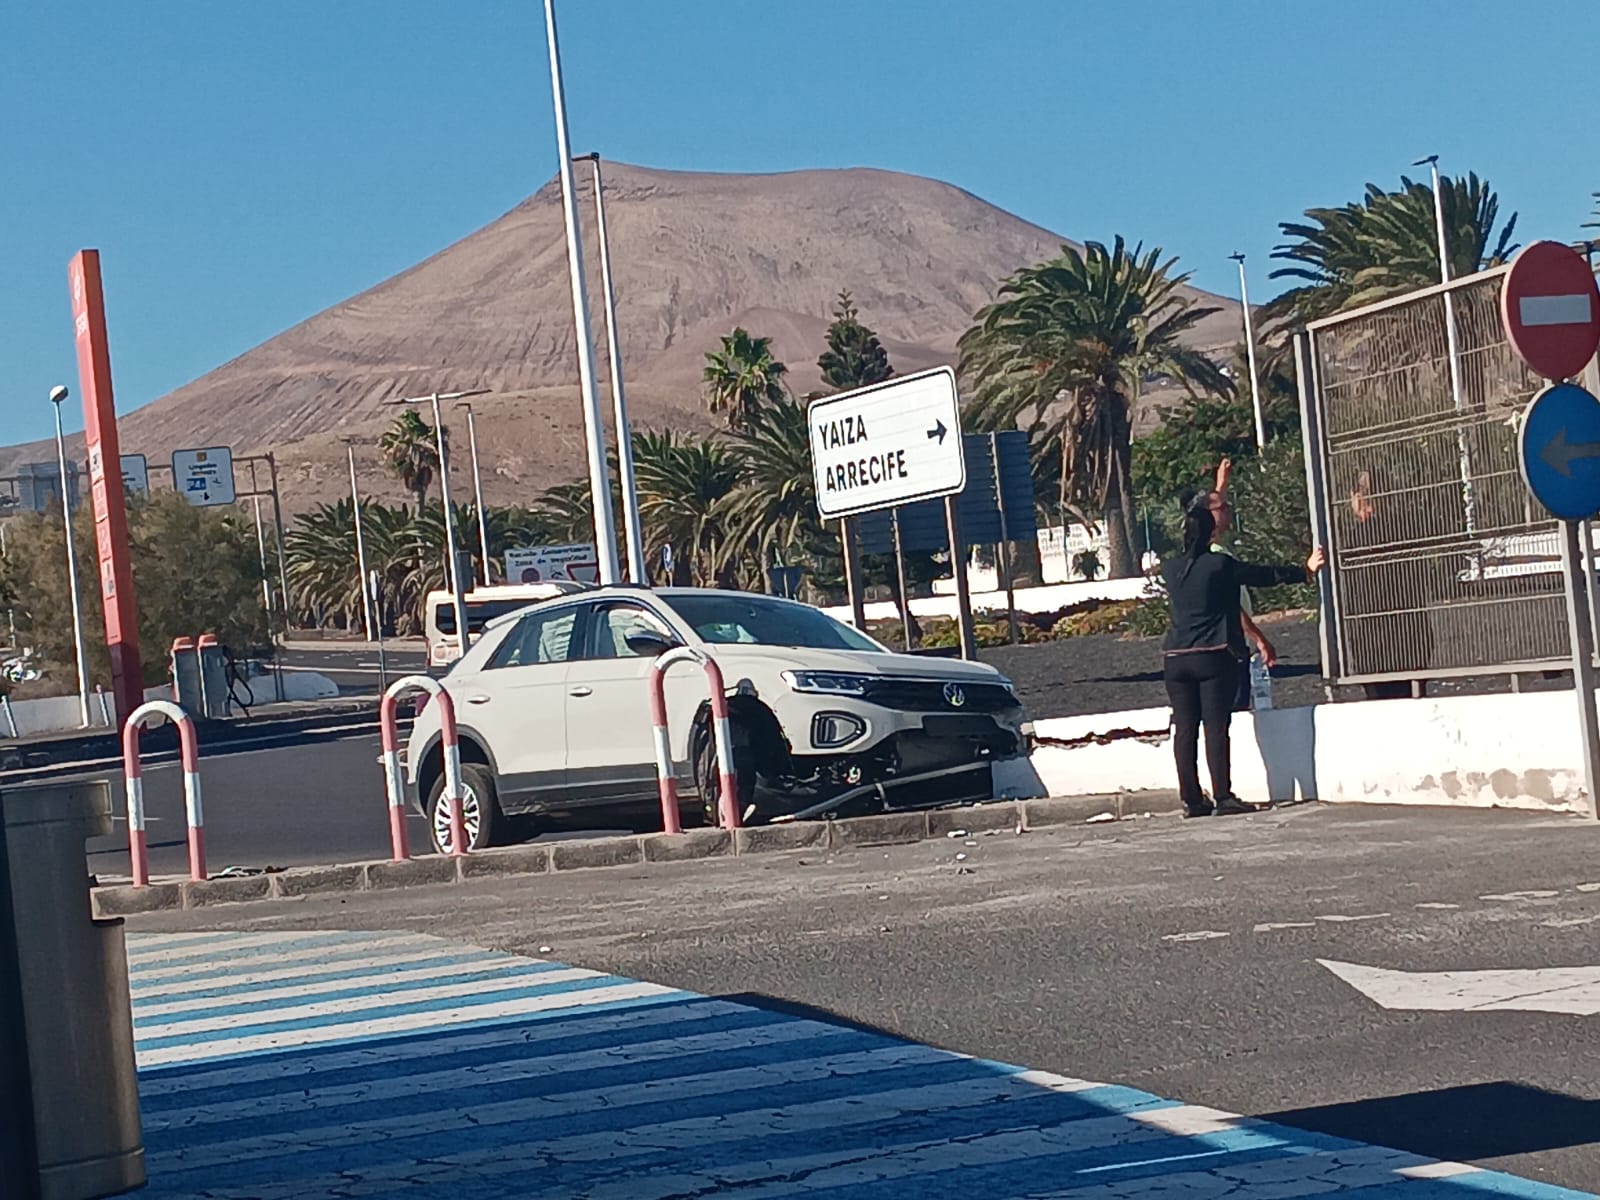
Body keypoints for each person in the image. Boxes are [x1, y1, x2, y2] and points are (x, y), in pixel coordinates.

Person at [1162, 492, 1326, 818]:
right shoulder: (1219, 565)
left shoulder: (1171, 570)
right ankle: (1223, 796)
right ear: (1211, 534)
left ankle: (1192, 799)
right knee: (1215, 727)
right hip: (1212, 653)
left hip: (1175, 656)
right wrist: (1304, 571)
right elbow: (1262, 575)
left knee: (1185, 729)